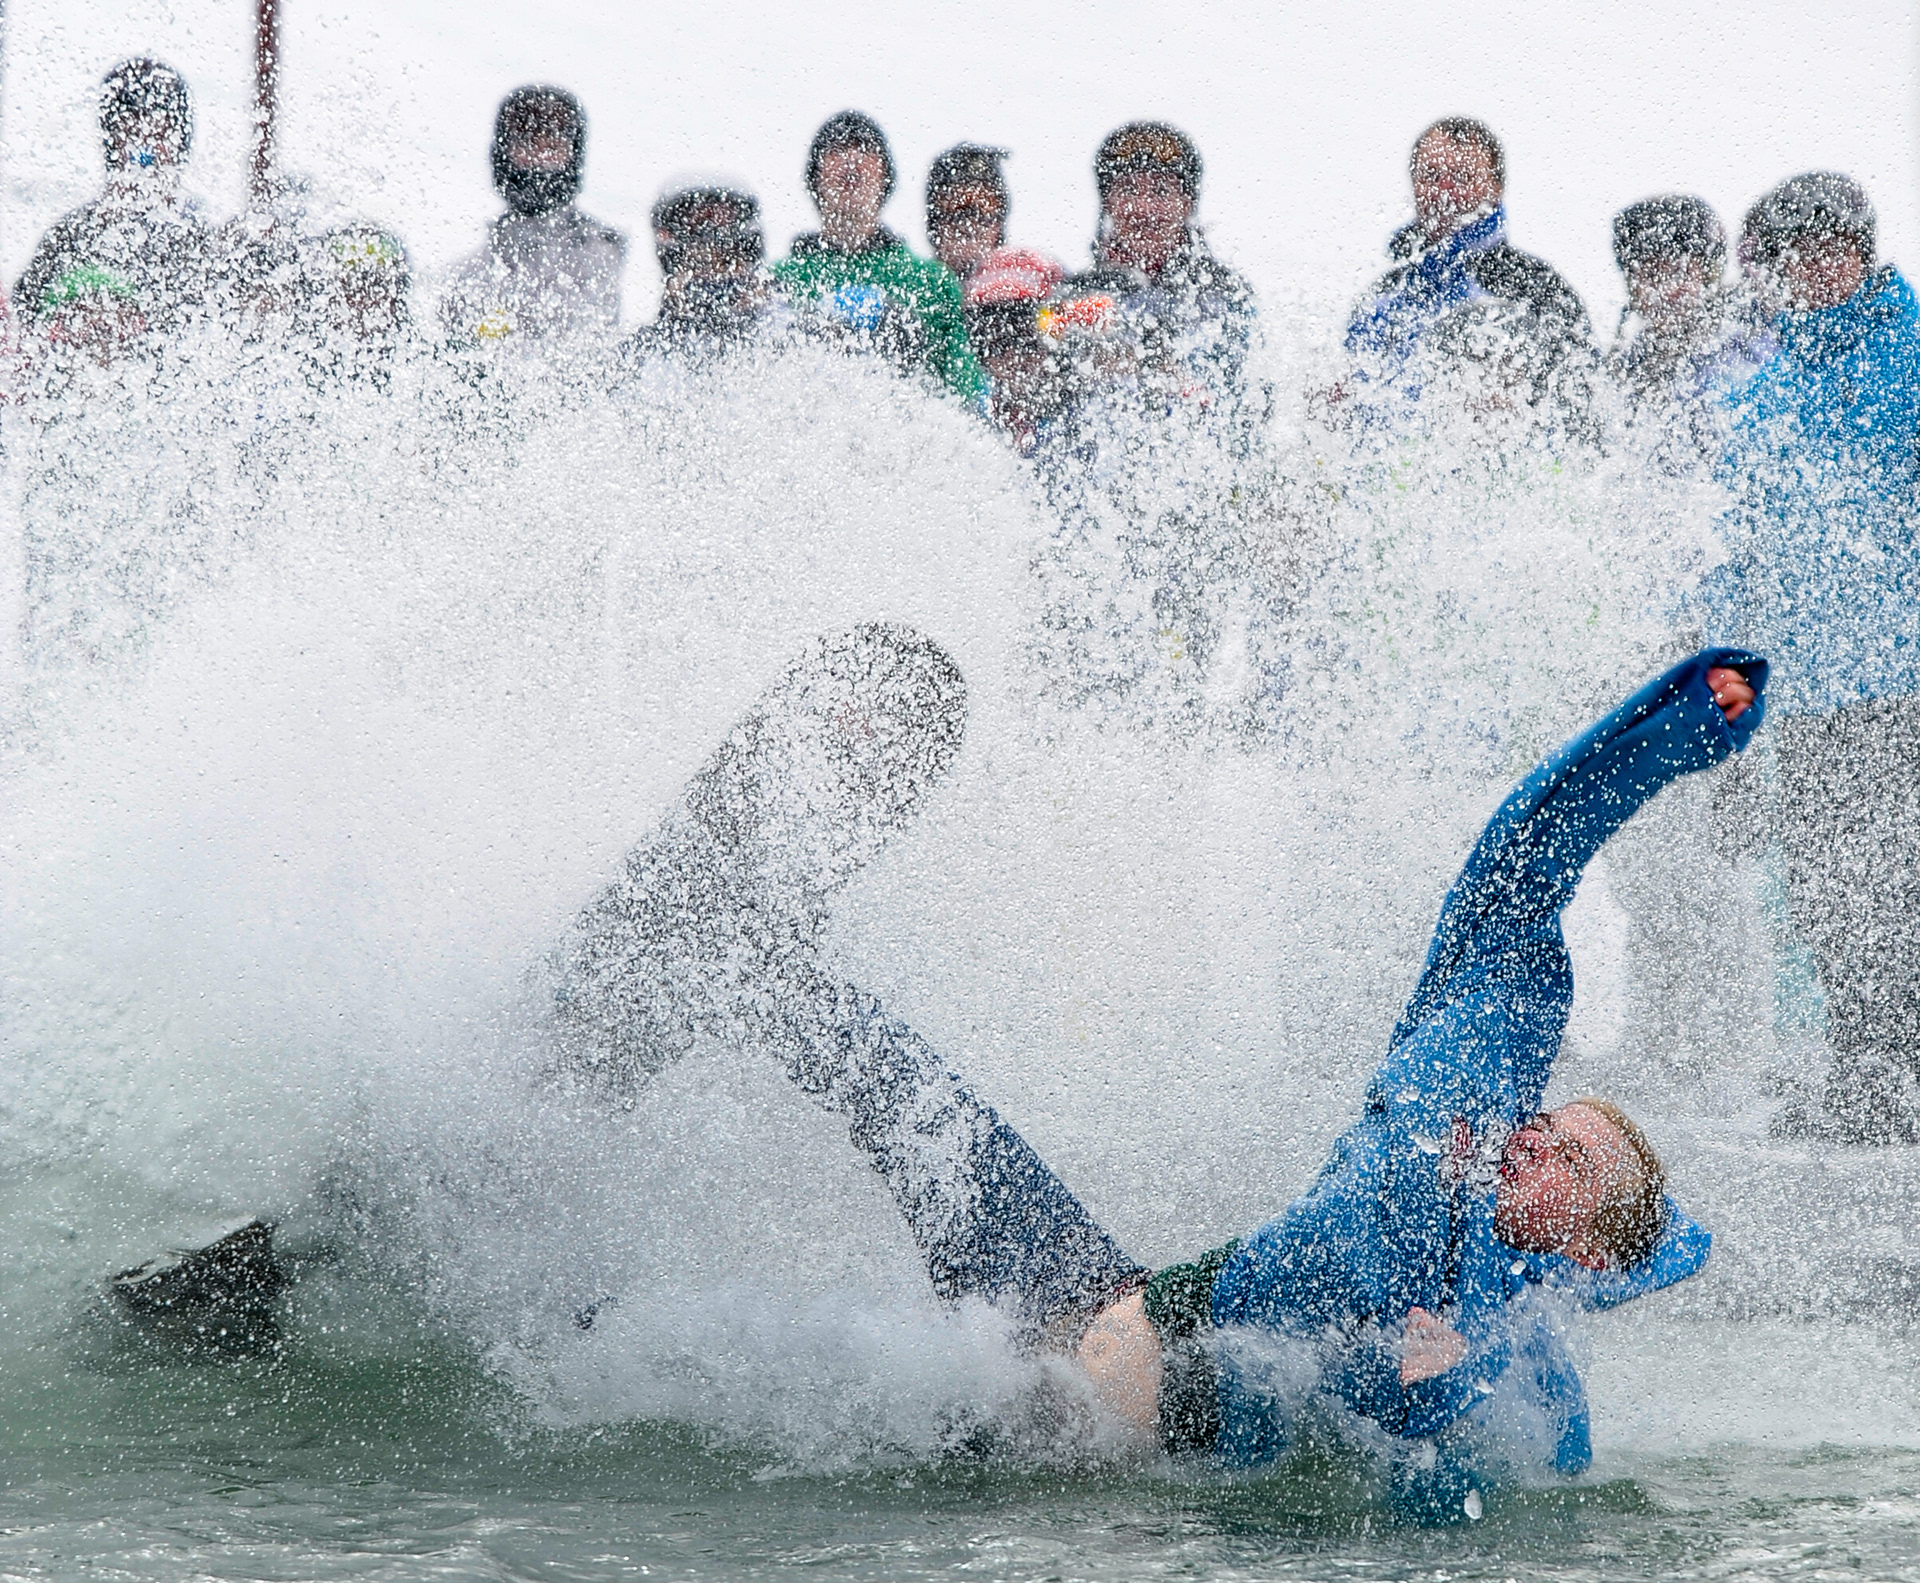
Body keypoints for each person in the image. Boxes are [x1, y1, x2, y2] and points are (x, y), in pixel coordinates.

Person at [558, 627, 1766, 1522]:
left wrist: (1427, 1413)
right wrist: (1665, 739)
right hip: (1099, 1327)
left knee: (750, 1392)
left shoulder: (1523, 1366)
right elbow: (1517, 868)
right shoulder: (1466, 1097)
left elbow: (1466, 1488)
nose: (1537, 1133)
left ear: (1588, 1250)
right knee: (912, 1101)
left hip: (1067, 1438)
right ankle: (706, 955)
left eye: (1573, 1157)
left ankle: (556, 1327)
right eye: (1555, 1119)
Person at [1700, 172, 1920, 1143]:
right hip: (1817, 686)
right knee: (1829, 882)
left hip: (1908, 676)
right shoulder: (1763, 393)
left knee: (1895, 874)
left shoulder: (1912, 357)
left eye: (1834, 245)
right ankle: (1863, 1060)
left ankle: (1891, 1064)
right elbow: (1736, 553)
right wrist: (1722, 682)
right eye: (1798, 253)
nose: (1819, 266)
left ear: (1863, 249)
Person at [1340, 118, 1593, 423]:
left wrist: (1521, 418)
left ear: (1496, 187)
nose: (1444, 191)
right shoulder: (1382, 296)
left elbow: (1585, 412)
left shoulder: (1534, 287)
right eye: (1431, 176)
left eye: (1461, 177)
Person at [772, 111, 985, 402]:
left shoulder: (930, 282)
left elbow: (965, 393)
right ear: (815, 177)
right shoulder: (780, 281)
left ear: (885, 175)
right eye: (836, 150)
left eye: (864, 149)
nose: (851, 160)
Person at [15, 58, 218, 360]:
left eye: (159, 134)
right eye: (132, 132)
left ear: (180, 144)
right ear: (113, 141)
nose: (145, 149)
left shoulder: (203, 246)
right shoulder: (70, 238)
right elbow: (24, 323)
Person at [438, 86, 626, 353]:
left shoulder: (606, 256)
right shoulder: (468, 276)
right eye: (527, 144)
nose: (540, 160)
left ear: (574, 157)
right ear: (502, 155)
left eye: (552, 146)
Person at [1088, 122, 1256, 407]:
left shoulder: (1227, 295)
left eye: (1162, 191)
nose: (1144, 209)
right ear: (1109, 203)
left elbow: (1245, 395)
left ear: (1187, 203)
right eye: (1128, 190)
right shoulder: (1077, 297)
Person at [1608, 195, 1772, 411]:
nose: (1666, 291)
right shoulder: (1625, 370)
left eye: (1679, 273)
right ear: (1632, 288)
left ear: (1708, 276)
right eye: (1650, 275)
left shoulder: (1753, 350)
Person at [621, 185, 786, 365]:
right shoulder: (638, 356)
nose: (714, 279)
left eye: (726, 264)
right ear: (672, 280)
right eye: (699, 266)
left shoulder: (789, 344)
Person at [962, 247, 1067, 452]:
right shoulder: (964, 422)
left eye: (1028, 335)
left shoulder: (1093, 419)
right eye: (995, 337)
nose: (1013, 353)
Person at [925, 144, 1008, 285]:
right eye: (957, 210)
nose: (970, 224)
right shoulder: (911, 291)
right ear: (935, 224)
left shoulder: (1032, 291)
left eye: (983, 211)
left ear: (999, 225)